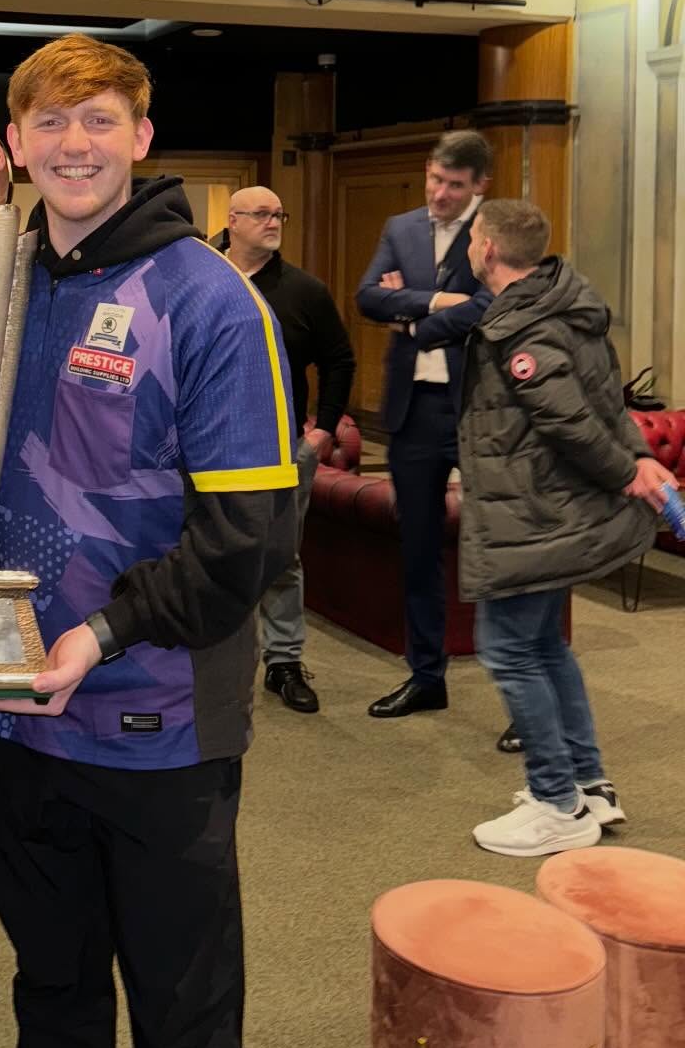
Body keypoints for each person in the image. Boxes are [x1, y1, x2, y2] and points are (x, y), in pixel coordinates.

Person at [0, 35, 300, 1048]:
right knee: (52, 1003)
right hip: (13, 720)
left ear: (143, 138)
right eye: (51, 123)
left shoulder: (208, 300)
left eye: (100, 119)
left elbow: (248, 543)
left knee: (186, 1030)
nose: (75, 144)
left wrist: (102, 634)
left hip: (158, 732)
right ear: (16, 144)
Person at [432, 198, 680, 855]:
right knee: (545, 648)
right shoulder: (563, 304)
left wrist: (625, 471)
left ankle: (556, 802)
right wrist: (638, 457)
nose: (469, 248)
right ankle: (588, 785)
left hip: (533, 515)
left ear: (488, 249)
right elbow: (607, 401)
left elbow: (568, 418)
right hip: (548, 512)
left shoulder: (523, 327)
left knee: (510, 652)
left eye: (473, 238)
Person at [356, 130, 492, 719]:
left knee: (498, 550)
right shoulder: (401, 227)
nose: (438, 193)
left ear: (479, 186)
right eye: (435, 179)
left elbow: (495, 306)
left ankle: (523, 696)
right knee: (417, 549)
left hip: (481, 411)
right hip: (413, 413)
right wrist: (438, 302)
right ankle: (426, 676)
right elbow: (367, 297)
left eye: (454, 185)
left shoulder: (498, 229)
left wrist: (410, 312)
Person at [216, 186, 354, 713]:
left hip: (281, 448)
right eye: (261, 214)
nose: (273, 222)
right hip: (205, 446)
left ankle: (284, 662)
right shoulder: (203, 275)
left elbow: (339, 360)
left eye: (279, 214)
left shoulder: (304, 291)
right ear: (233, 221)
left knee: (279, 557)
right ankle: (206, 655)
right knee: (204, 549)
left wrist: (324, 431)